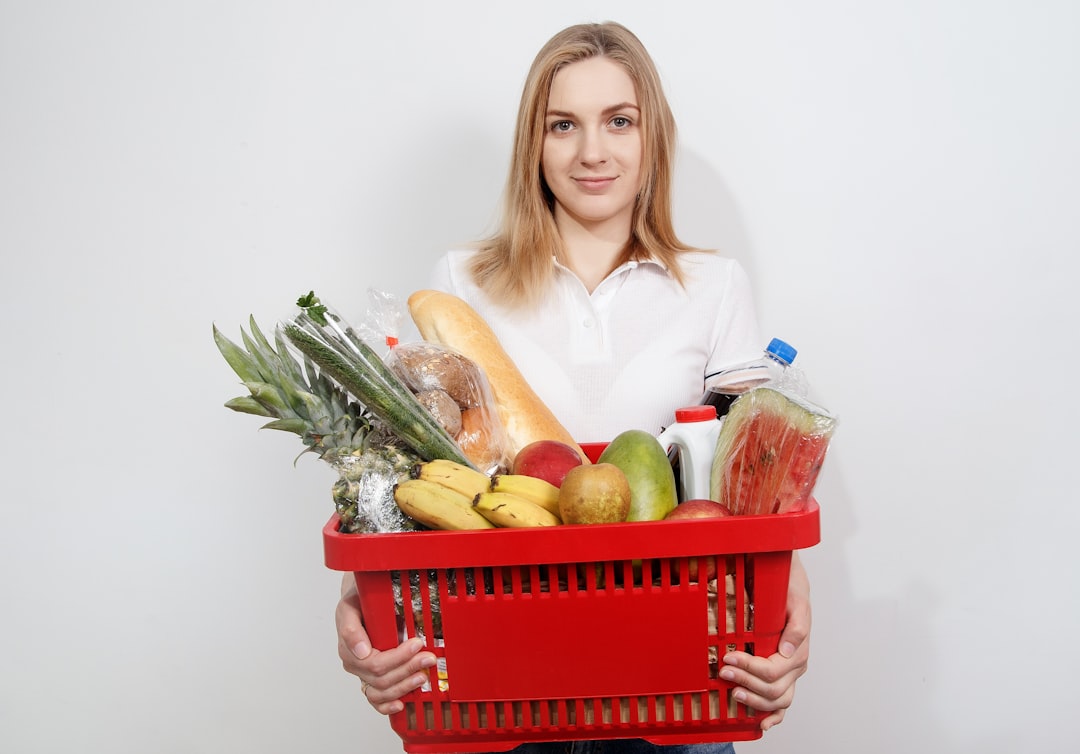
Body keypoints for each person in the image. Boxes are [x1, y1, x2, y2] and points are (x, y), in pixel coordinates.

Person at [336, 21, 812, 752]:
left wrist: (792, 611)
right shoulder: (462, 284)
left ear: (653, 138)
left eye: (619, 121)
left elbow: (758, 487)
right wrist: (359, 611)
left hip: (679, 673)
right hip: (499, 666)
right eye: (564, 125)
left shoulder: (715, 286)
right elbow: (418, 470)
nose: (593, 151)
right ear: (535, 142)